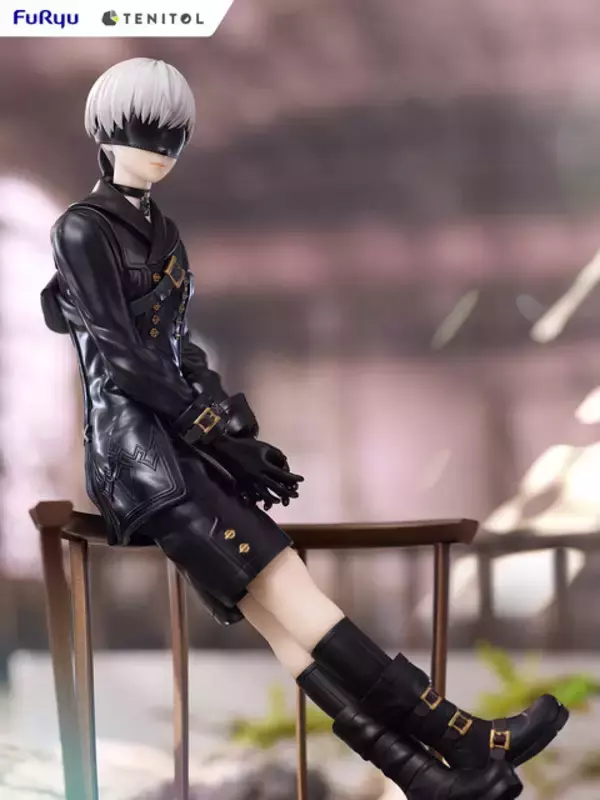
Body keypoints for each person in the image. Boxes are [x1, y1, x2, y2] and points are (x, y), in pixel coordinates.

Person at [42, 58, 568, 800]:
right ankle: (465, 737)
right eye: (142, 132)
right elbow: (123, 358)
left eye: (173, 136)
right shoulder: (81, 229)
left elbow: (181, 350)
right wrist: (210, 429)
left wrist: (231, 430)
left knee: (285, 627)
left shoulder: (164, 230)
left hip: (180, 449)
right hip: (138, 458)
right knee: (292, 593)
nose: (159, 150)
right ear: (103, 132)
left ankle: (427, 778)